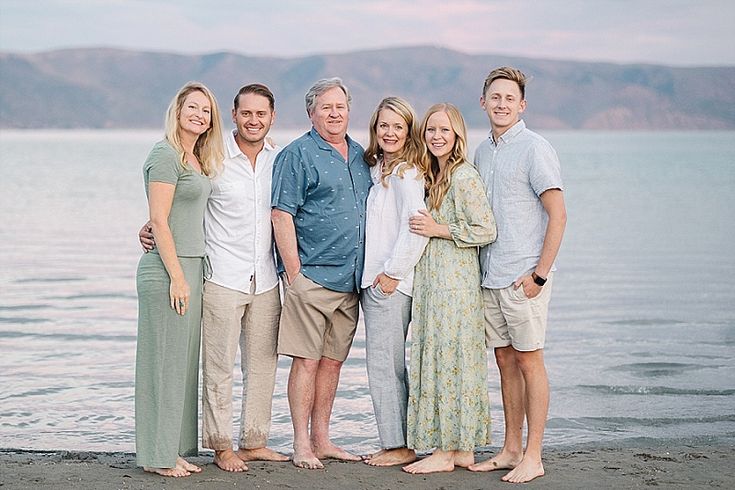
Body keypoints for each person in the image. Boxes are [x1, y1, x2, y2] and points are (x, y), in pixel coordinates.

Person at [139, 84, 289, 472]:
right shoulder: (215, 158)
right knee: (216, 367)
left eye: (262, 114)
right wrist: (152, 230)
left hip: (266, 277)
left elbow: (181, 205)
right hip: (220, 274)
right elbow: (170, 208)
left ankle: (254, 441)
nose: (254, 120)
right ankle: (221, 446)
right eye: (246, 113)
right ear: (235, 116)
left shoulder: (280, 158)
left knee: (262, 366)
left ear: (272, 118)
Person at [467, 66, 567, 484]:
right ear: (484, 102)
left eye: (510, 98)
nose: (502, 104)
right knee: (505, 362)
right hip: (491, 276)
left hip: (523, 280)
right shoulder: (482, 151)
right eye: (496, 97)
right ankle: (510, 449)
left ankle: (534, 455)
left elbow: (558, 214)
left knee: (530, 362)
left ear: (521, 105)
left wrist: (539, 276)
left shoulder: (534, 148)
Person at [271, 77, 372, 469]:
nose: (334, 114)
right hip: (312, 279)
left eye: (340, 107)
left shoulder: (361, 155)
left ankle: (323, 439)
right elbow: (281, 214)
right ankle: (300, 443)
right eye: (326, 107)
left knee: (333, 362)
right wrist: (294, 275)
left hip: (351, 282)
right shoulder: (297, 154)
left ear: (349, 111)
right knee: (306, 362)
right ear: (311, 113)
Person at [135, 81, 224, 477]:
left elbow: (174, 215)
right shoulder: (165, 153)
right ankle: (157, 456)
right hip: (169, 270)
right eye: (193, 107)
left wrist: (189, 273)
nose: (199, 115)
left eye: (206, 110)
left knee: (182, 365)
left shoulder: (196, 158)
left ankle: (171, 448)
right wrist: (176, 276)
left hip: (191, 265)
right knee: (163, 363)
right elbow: (158, 220)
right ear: (178, 110)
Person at [402, 103, 497, 474]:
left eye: (444, 130)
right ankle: (461, 450)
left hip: (454, 286)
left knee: (449, 362)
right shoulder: (433, 175)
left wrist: (439, 229)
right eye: (431, 130)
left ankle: (445, 450)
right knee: (445, 361)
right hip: (433, 284)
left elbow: (486, 229)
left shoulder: (463, 176)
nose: (437, 136)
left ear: (457, 135)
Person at [360, 97, 428, 467]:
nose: (389, 132)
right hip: (376, 281)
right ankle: (396, 440)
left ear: (408, 131)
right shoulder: (380, 170)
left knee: (385, 366)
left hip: (390, 284)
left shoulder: (406, 174)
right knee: (386, 364)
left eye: (397, 126)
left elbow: (416, 227)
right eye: (383, 126)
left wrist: (392, 274)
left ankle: (399, 445)